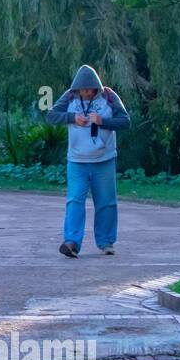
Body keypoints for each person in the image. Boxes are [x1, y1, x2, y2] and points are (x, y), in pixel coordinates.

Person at [46, 64, 132, 258]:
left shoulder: (109, 97)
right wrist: (72, 118)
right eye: (81, 89)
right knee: (75, 200)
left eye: (88, 89)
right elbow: (51, 116)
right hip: (77, 160)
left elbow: (125, 121)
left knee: (106, 202)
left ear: (96, 88)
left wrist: (102, 121)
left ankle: (106, 242)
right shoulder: (69, 97)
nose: (84, 92)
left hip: (104, 159)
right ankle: (71, 242)